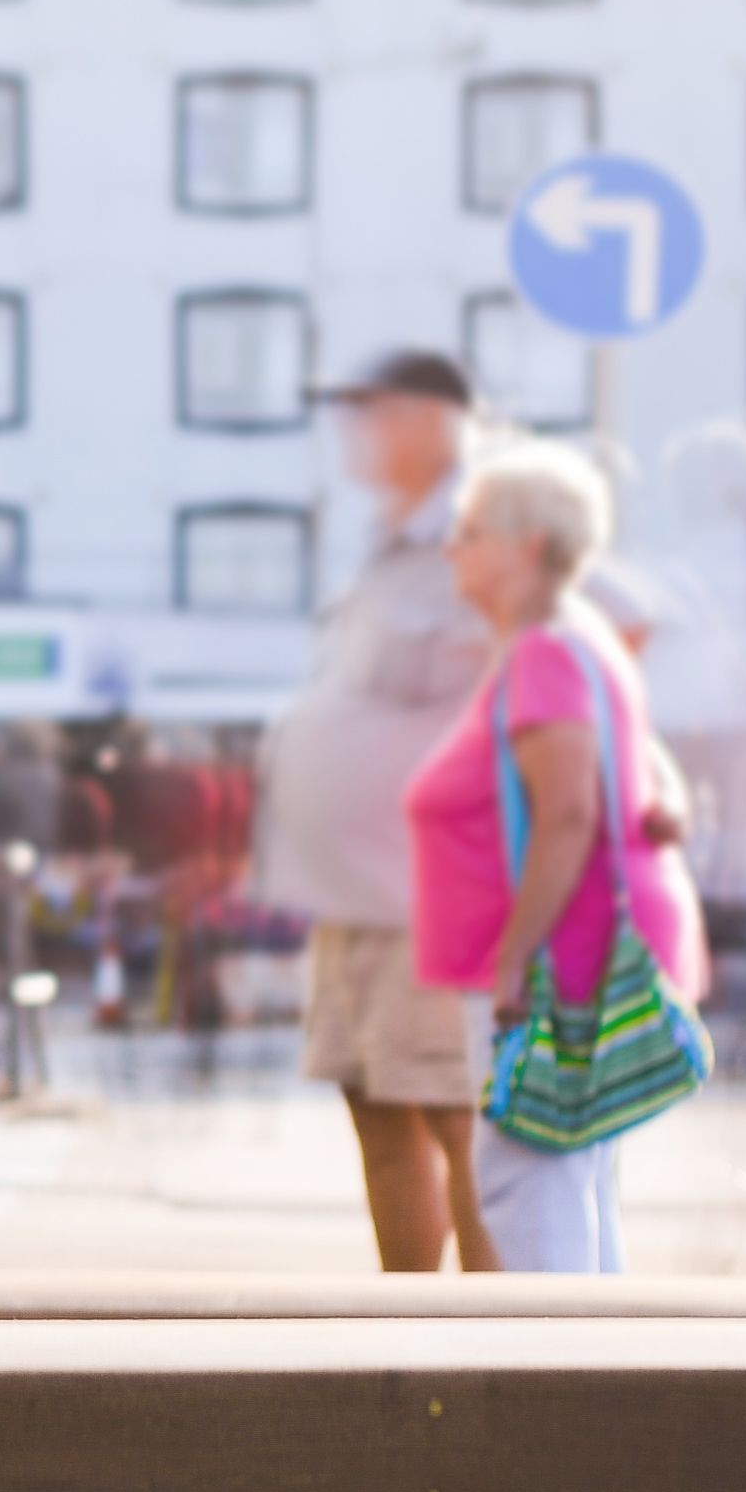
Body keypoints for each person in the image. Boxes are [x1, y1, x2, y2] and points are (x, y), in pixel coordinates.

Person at [409, 447, 702, 1276]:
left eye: (468, 533)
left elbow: (569, 810)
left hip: (547, 970)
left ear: (526, 546)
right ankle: (600, 1389)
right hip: (572, 961)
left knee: (530, 1199)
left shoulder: (544, 652)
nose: (450, 550)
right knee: (571, 1188)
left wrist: (511, 963)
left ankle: (562, 1396)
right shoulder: (581, 643)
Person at [257, 345, 503, 1273]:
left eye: (373, 412)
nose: (353, 434)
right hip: (356, 890)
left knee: (454, 1111)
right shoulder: (384, 536)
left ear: (432, 419)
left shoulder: (485, 519)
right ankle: (414, 1325)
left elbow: (602, 631)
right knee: (373, 1100)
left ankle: (492, 1350)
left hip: (429, 892)